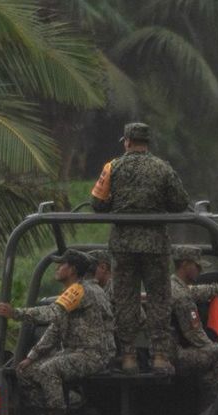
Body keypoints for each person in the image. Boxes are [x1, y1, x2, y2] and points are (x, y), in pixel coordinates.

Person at [91, 122, 189, 376]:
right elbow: (180, 203)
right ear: (147, 142)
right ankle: (158, 356)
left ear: (127, 141)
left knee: (125, 300)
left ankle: (128, 357)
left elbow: (97, 204)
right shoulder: (162, 168)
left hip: (123, 246)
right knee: (159, 299)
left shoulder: (112, 167)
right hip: (155, 247)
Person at [0, 250, 115, 415]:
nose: (58, 268)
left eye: (62, 264)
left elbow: (51, 314)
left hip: (93, 355)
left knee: (49, 369)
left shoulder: (81, 290)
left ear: (73, 269)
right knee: (25, 372)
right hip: (78, 353)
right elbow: (55, 329)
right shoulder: (76, 291)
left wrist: (15, 313)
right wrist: (31, 357)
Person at [169, 245, 218, 410]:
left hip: (164, 352)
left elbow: (196, 291)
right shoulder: (181, 297)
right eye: (197, 266)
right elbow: (196, 336)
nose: (200, 270)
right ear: (185, 264)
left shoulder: (172, 286)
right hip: (175, 356)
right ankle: (210, 404)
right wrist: (214, 347)